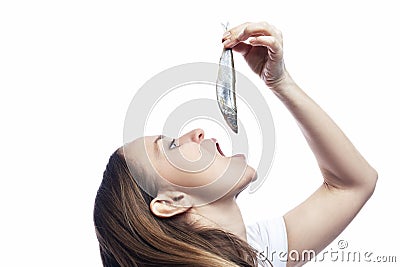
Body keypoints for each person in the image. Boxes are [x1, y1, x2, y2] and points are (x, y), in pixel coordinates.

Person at [93, 21, 378, 267]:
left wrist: (280, 82)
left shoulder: (258, 252)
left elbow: (352, 184)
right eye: (171, 146)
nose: (196, 132)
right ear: (171, 202)